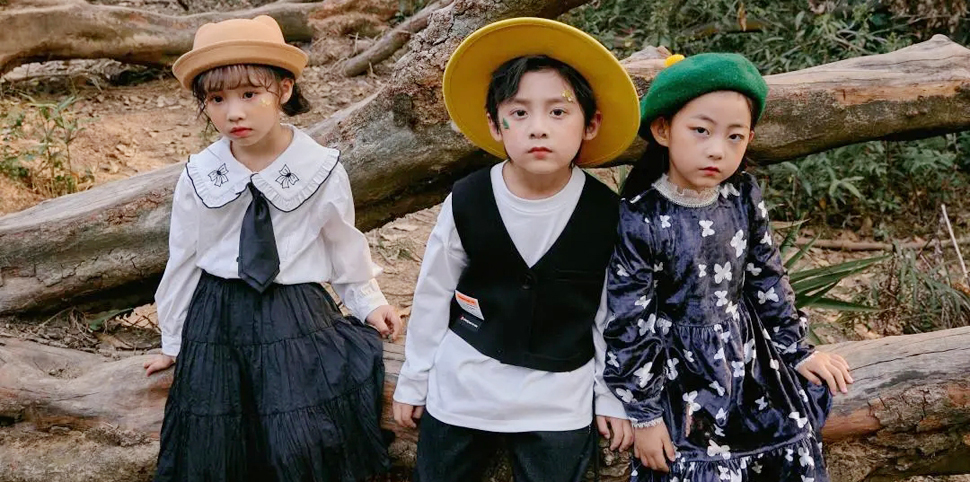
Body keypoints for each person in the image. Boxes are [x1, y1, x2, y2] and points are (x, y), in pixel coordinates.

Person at [142, 15, 401, 482]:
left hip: (293, 311)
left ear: (283, 89)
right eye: (216, 99)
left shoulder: (320, 168)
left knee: (300, 432)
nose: (233, 113)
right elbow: (183, 257)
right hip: (217, 317)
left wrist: (369, 301)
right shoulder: (200, 174)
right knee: (218, 438)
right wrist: (173, 341)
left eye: (249, 94)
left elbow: (341, 242)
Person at [391, 17, 641, 482]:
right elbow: (433, 292)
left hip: (558, 395)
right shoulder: (468, 200)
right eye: (519, 113)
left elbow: (612, 313)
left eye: (558, 112)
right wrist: (415, 379)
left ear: (591, 124)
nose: (538, 128)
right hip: (465, 383)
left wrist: (610, 395)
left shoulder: (606, 214)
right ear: (495, 124)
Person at [604, 52, 853, 481]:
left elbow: (767, 276)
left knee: (784, 439)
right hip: (677, 371)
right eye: (700, 131)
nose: (717, 150)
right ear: (663, 129)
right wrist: (645, 415)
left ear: (749, 138)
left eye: (735, 136)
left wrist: (797, 349)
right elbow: (629, 319)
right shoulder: (640, 217)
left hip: (747, 357)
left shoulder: (741, 196)